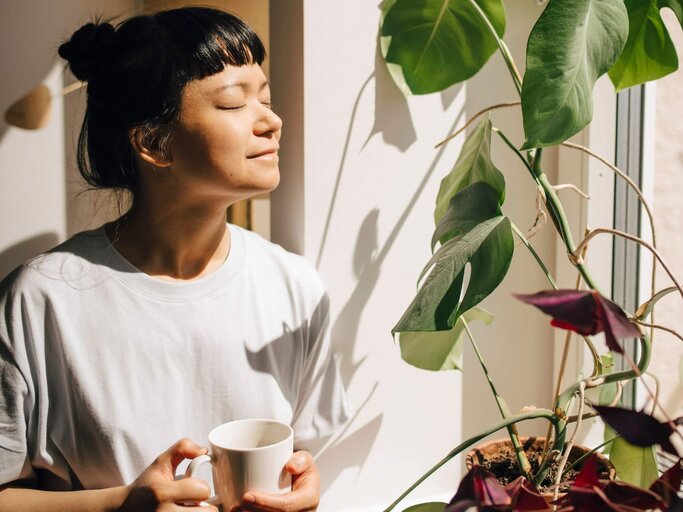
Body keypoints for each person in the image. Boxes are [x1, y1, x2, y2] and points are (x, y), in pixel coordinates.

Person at [0, 7, 348, 511]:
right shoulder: (41, 301)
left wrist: (304, 485)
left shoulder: (295, 287)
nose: (271, 121)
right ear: (153, 143)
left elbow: (304, 457)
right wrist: (121, 503)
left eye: (266, 99)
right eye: (233, 103)